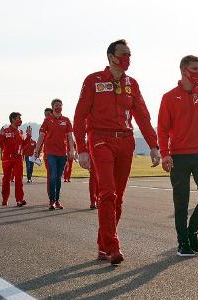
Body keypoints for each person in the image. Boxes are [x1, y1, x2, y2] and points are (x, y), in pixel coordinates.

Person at [73, 39, 160, 265]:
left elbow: (142, 116)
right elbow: (80, 116)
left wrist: (153, 145)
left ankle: (103, 245)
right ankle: (113, 247)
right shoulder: (93, 81)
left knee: (118, 198)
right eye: (123, 54)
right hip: (100, 139)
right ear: (111, 56)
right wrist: (81, 149)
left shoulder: (132, 84)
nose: (127, 58)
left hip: (126, 141)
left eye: (130, 54)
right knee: (107, 192)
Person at [158, 55, 198, 257]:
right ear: (183, 70)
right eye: (194, 69)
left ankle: (192, 230)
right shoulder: (169, 97)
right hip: (179, 157)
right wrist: (164, 154)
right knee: (181, 201)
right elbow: (162, 128)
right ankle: (182, 242)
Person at [34, 99, 75, 210]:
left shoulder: (66, 120)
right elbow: (41, 136)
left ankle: (57, 200)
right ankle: (51, 201)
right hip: (50, 152)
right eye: (56, 105)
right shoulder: (48, 120)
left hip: (62, 153)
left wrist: (72, 150)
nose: (59, 107)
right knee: (52, 176)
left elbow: (70, 137)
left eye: (60, 105)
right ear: (52, 107)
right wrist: (36, 150)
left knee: (58, 178)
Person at [0, 112, 31, 207]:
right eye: (18, 118)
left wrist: (28, 137)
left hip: (18, 159)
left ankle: (19, 200)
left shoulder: (20, 132)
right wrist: (1, 135)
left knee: (19, 179)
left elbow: (23, 145)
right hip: (7, 159)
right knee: (6, 179)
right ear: (12, 119)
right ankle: (4, 200)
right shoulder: (6, 131)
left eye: (20, 118)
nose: (20, 120)